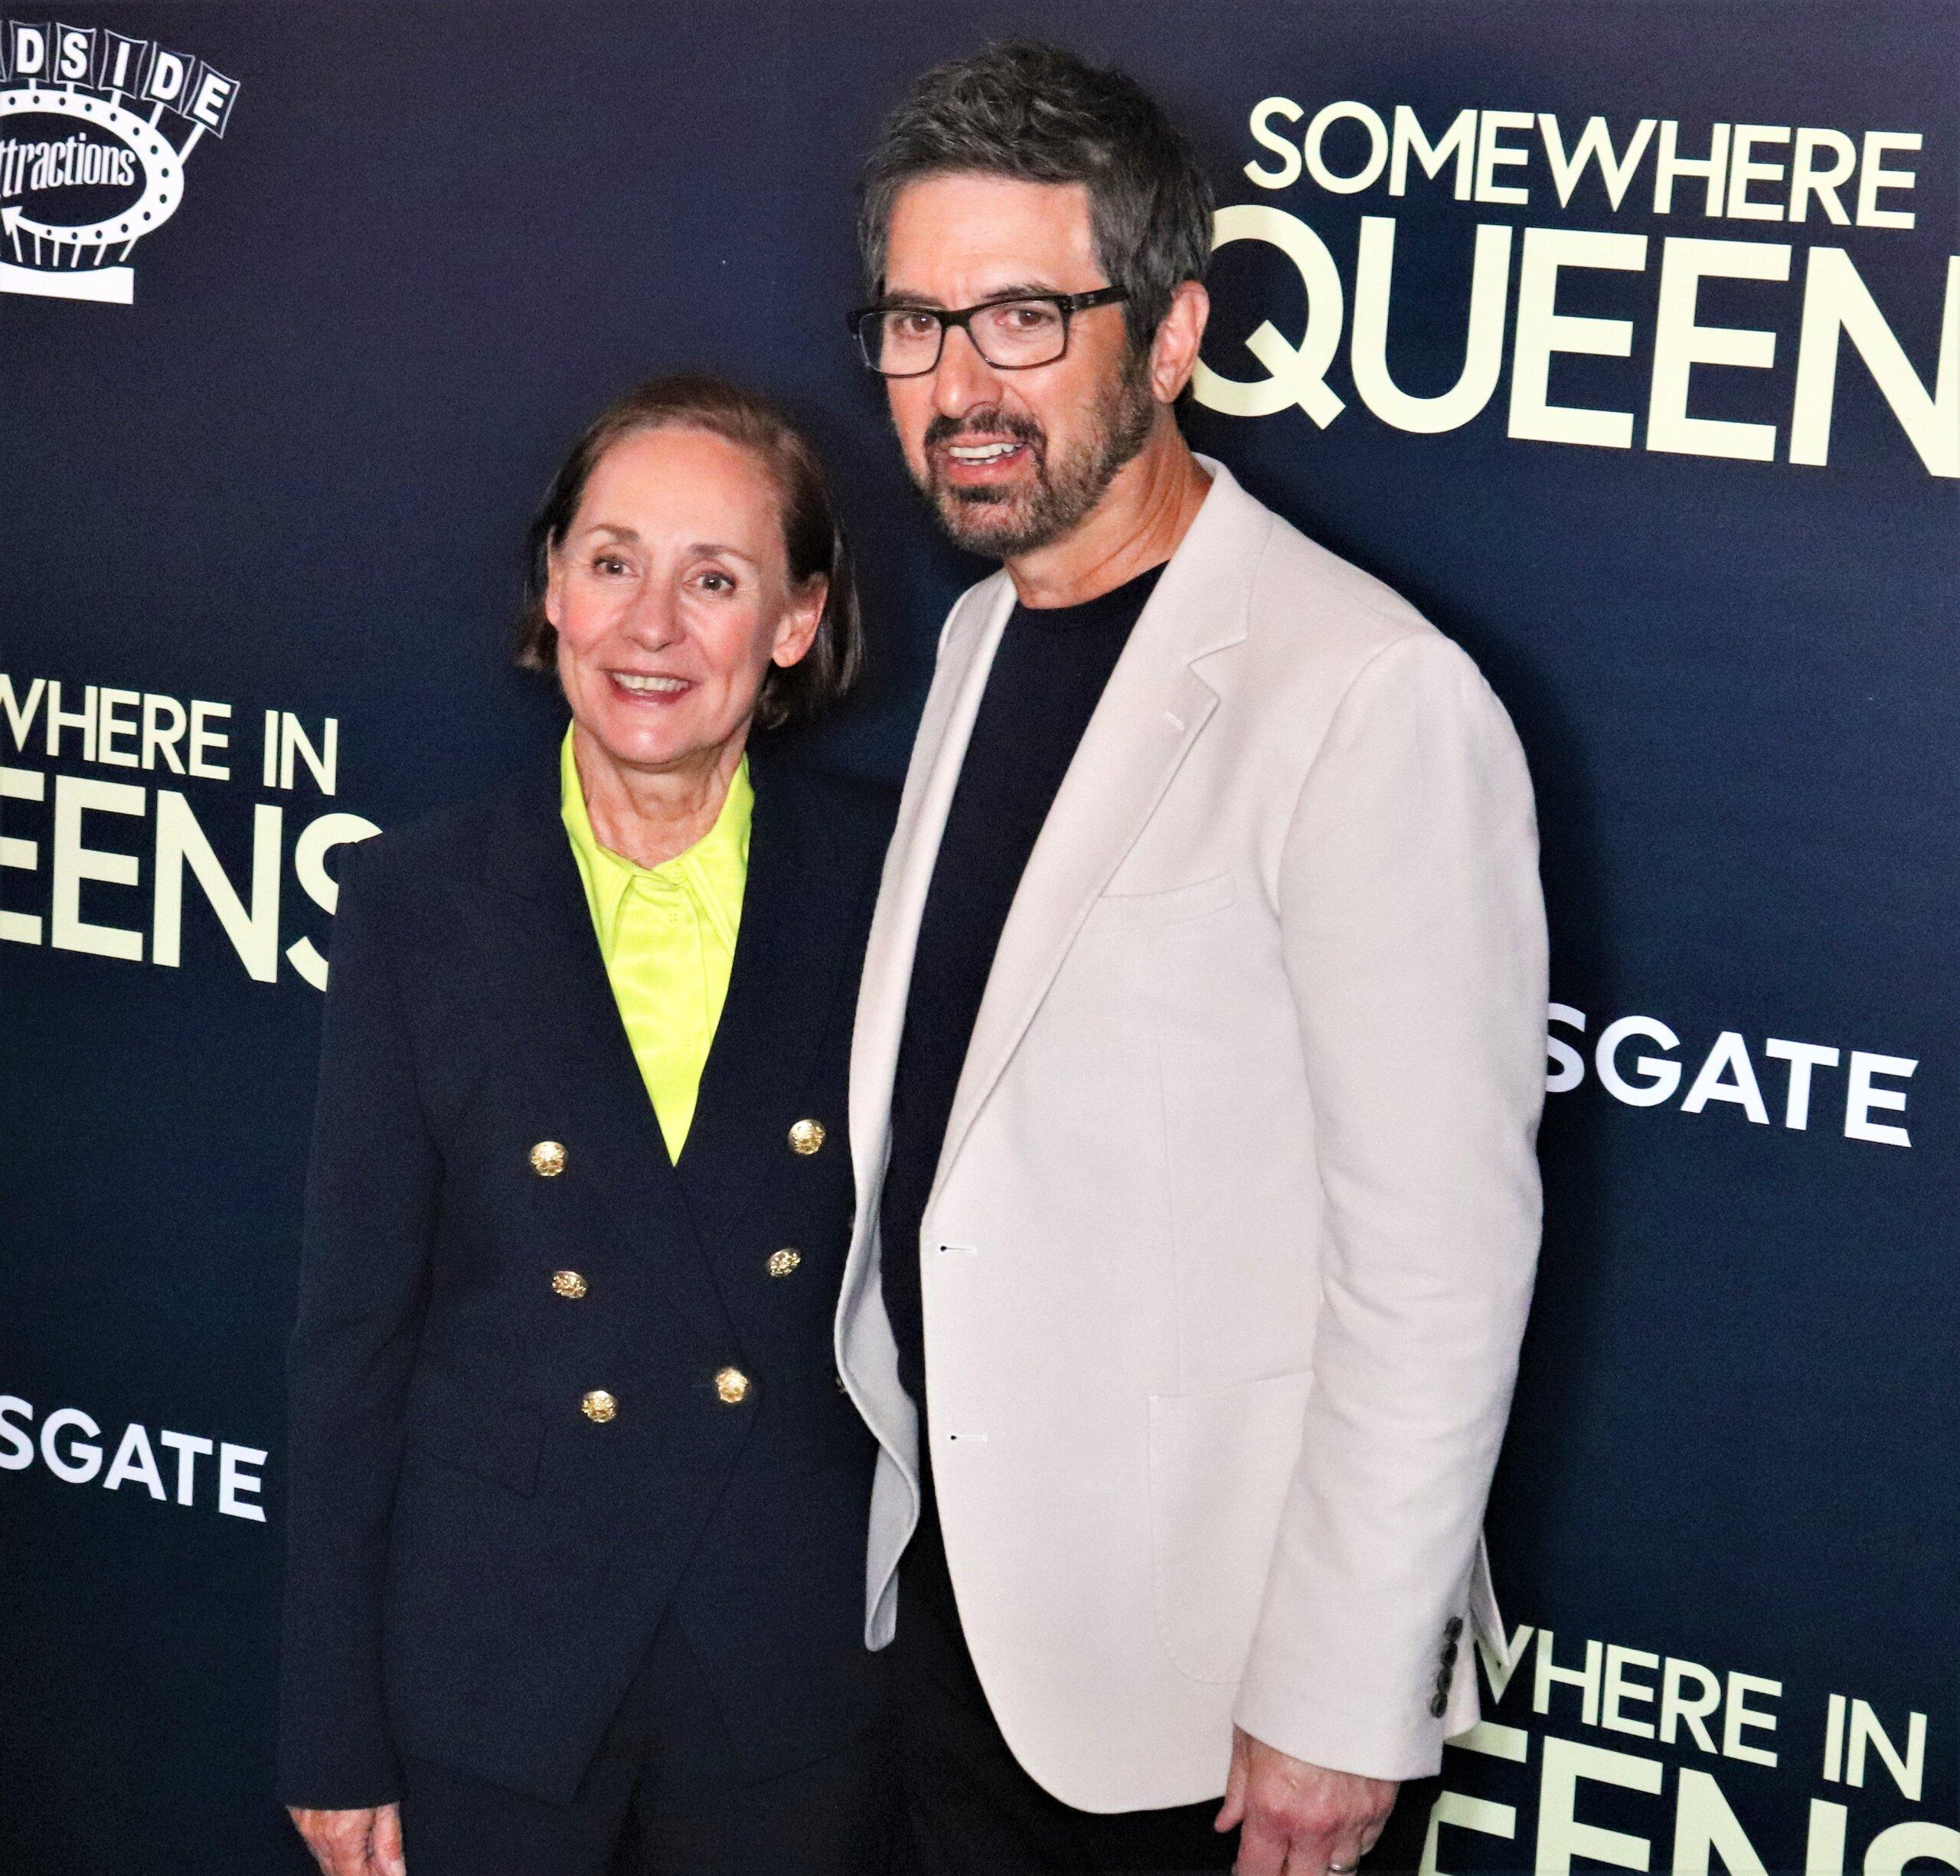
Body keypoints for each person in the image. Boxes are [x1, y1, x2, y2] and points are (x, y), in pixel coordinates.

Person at [831, 44, 1549, 1876]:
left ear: (1165, 338)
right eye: (915, 322)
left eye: (1020, 316)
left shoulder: (1366, 694)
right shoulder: (982, 638)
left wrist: (1335, 1690)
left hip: (1215, 1713)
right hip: (962, 1625)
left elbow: (1437, 1262)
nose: (958, 386)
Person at [279, 374, 899, 1876]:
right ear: (552, 583)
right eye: (612, 561)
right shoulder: (419, 903)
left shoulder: (895, 889)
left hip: (785, 1686)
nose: (650, 627)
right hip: (493, 1678)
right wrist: (328, 1727)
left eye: (715, 578)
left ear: (796, 622)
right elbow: (351, 1345)